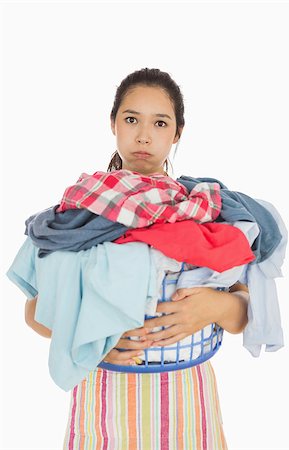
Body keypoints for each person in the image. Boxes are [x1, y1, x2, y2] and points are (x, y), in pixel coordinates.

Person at [22, 68, 251, 450]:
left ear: (177, 133)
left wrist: (216, 305)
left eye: (160, 123)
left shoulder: (202, 209)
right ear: (113, 123)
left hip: (187, 408)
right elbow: (34, 312)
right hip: (102, 407)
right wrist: (90, 340)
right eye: (131, 119)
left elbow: (243, 314)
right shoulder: (78, 211)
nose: (144, 135)